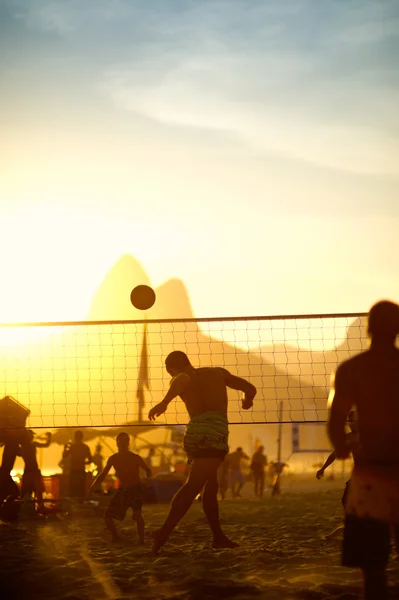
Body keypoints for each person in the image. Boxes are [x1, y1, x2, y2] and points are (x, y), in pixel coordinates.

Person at [148, 350, 256, 554]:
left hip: (197, 434)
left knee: (210, 487)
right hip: (212, 435)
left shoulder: (182, 377)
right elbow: (249, 388)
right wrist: (247, 401)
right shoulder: (217, 373)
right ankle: (163, 531)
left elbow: (180, 380)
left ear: (172, 368)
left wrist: (166, 402)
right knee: (193, 487)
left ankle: (218, 536)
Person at [328, 300, 399, 600]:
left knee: (373, 567)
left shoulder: (351, 369)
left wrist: (342, 447)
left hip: (371, 472)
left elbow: (335, 420)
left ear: (368, 329)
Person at [88, 432, 152, 543]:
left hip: (135, 489)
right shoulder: (113, 458)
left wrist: (147, 479)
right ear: (117, 443)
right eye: (121, 441)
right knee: (107, 516)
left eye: (125, 441)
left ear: (128, 443)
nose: (123, 443)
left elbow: (148, 470)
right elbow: (103, 474)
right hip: (123, 490)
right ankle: (116, 537)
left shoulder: (135, 457)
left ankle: (141, 540)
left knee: (137, 515)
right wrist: (92, 487)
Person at [19, 430, 52, 512]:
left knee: (33, 491)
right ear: (27, 437)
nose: (32, 437)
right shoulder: (28, 446)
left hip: (30, 470)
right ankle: (31, 508)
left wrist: (49, 437)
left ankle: (35, 507)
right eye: (31, 435)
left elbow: (46, 444)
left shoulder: (26, 446)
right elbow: (46, 445)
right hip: (32, 470)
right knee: (33, 490)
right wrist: (49, 437)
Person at [67, 430, 92, 499]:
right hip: (80, 470)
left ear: (75, 437)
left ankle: (74, 506)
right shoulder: (85, 447)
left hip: (74, 470)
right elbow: (90, 460)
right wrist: (82, 462)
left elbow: (65, 455)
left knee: (73, 490)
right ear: (82, 437)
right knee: (80, 490)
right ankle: (80, 504)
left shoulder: (72, 447)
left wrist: (66, 448)